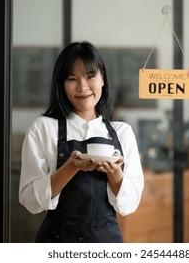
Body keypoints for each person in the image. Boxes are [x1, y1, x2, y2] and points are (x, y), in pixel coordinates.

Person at [19, 41, 144, 243]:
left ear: (102, 78)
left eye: (90, 76)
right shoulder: (44, 128)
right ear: (61, 84)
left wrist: (114, 172)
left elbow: (129, 205)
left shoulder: (123, 132)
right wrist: (70, 167)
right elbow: (30, 200)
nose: (82, 87)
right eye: (72, 78)